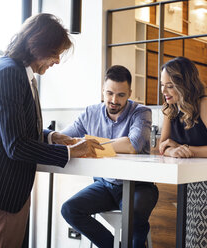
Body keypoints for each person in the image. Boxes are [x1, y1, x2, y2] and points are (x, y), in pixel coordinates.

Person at [0, 13, 103, 248]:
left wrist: (50, 135)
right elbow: (16, 145)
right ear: (38, 46)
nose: (57, 61)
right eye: (55, 53)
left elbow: (12, 126)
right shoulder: (9, 73)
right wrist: (70, 153)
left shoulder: (15, 71)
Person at [55, 65, 159, 248]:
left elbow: (133, 145)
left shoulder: (141, 112)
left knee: (134, 217)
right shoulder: (90, 113)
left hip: (139, 186)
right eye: (109, 93)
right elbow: (64, 139)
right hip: (105, 185)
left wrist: (89, 144)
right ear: (102, 90)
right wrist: (70, 141)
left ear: (130, 93)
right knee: (70, 210)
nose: (114, 100)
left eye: (121, 95)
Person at [159, 57, 207, 247]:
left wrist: (185, 150)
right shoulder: (169, 109)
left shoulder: (205, 104)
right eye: (162, 85)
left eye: (170, 86)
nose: (163, 91)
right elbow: (162, 147)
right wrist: (172, 152)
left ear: (184, 84)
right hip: (185, 193)